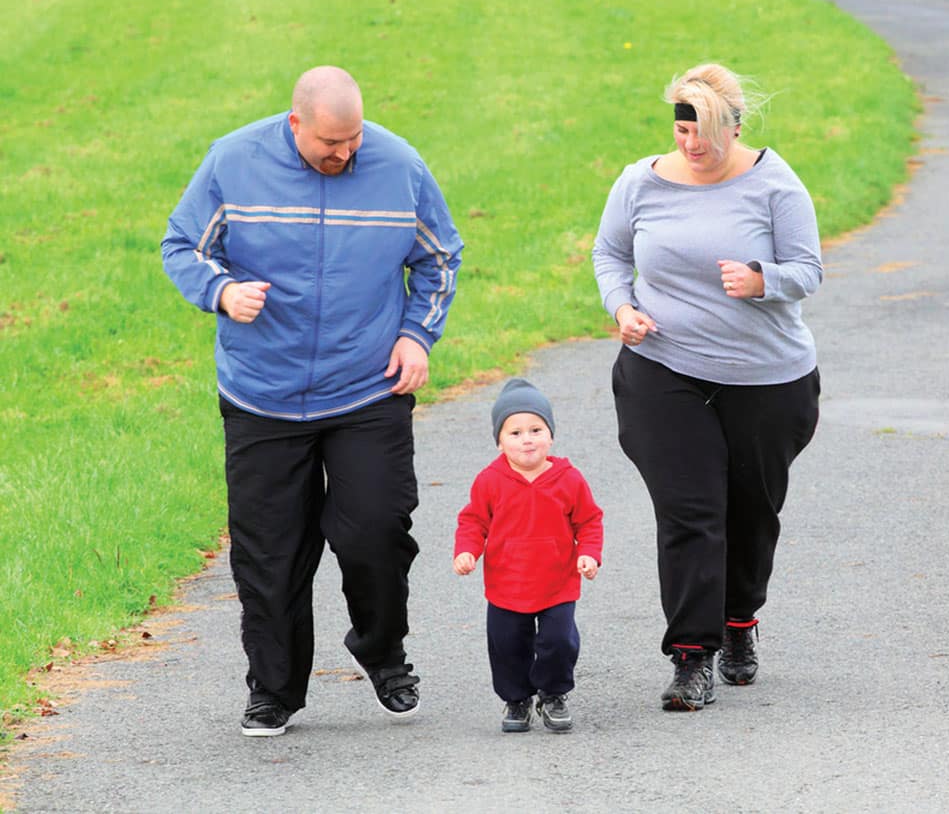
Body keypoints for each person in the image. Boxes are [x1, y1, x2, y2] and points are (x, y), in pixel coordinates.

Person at [161, 65, 463, 737]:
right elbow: (182, 246)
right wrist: (221, 291)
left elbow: (440, 259)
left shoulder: (399, 166)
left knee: (377, 530)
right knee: (269, 552)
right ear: (295, 123)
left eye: (353, 139)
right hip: (262, 394)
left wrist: (416, 336)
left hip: (366, 387)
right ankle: (275, 689)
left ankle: (382, 650)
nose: (345, 153)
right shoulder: (233, 161)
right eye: (331, 142)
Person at [591, 62, 821, 712]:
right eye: (684, 130)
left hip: (766, 381)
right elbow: (609, 254)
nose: (693, 145)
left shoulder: (774, 185)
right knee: (691, 513)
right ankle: (692, 658)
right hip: (663, 370)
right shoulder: (641, 182)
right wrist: (622, 307)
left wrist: (761, 279)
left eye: (707, 133)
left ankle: (739, 620)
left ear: (736, 126)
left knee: (750, 514)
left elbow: (808, 268)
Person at [453, 378, 604, 733]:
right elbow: (473, 521)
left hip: (558, 582)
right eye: (515, 432)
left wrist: (590, 554)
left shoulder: (569, 479)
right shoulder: (490, 480)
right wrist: (467, 551)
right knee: (507, 645)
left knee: (558, 642)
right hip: (507, 583)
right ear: (499, 440)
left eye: (536, 429)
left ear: (550, 436)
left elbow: (589, 521)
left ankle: (553, 694)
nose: (527, 439)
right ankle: (517, 699)